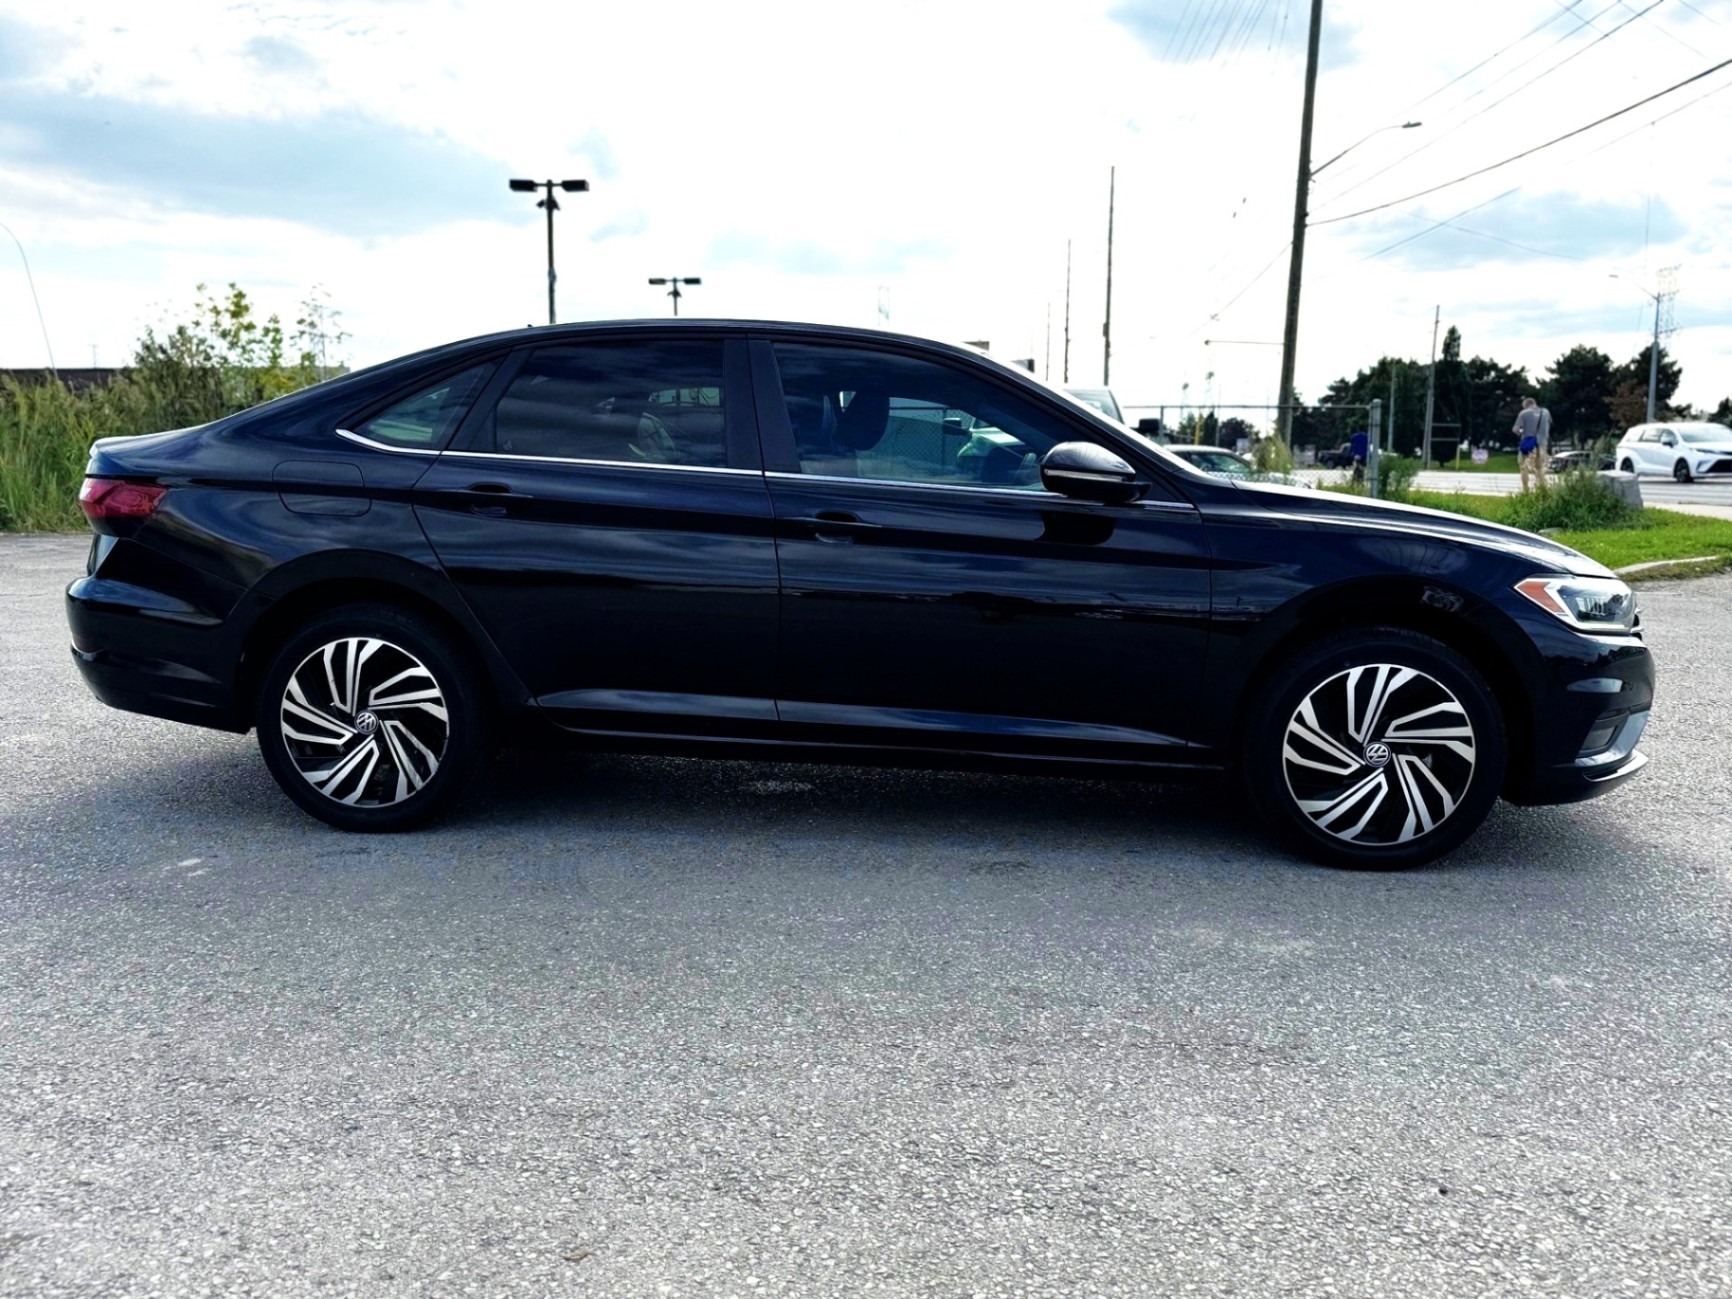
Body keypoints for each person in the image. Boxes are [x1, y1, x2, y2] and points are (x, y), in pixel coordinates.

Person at [1514, 396, 1552, 490]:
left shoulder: (1524, 413)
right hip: (1543, 444)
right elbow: (1549, 424)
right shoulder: (1546, 412)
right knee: (1540, 468)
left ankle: (1525, 490)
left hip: (1528, 444)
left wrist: (1521, 432)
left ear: (1526, 405)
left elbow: (1516, 429)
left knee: (1524, 467)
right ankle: (1542, 489)